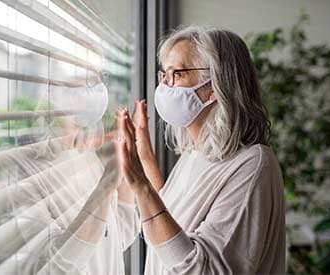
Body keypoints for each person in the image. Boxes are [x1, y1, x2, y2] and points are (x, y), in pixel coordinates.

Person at [116, 25, 286, 274]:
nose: (165, 86)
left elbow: (205, 269)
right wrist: (144, 158)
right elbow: (173, 222)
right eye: (165, 75)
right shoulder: (196, 153)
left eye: (178, 74)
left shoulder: (253, 165)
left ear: (216, 84)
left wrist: (141, 188)